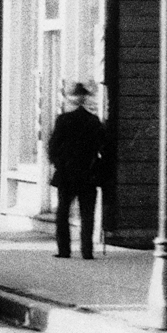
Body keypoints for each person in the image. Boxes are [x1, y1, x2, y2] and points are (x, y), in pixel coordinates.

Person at [48, 81, 106, 260]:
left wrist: (60, 164)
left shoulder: (63, 120)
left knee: (63, 213)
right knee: (87, 214)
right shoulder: (93, 121)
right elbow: (103, 148)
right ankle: (87, 251)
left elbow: (53, 147)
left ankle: (64, 250)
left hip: (67, 174)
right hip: (88, 173)